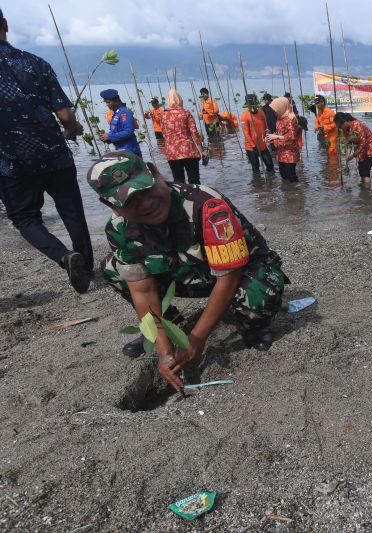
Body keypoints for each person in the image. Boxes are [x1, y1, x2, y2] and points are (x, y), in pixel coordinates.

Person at [87, 151, 288, 389]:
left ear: (156, 174)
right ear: (113, 206)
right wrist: (162, 349)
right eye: (130, 202)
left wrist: (197, 339)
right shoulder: (119, 228)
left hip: (238, 271)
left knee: (256, 296)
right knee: (113, 269)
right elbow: (142, 291)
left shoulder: (206, 206)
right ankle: (170, 326)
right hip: (186, 274)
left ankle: (253, 325)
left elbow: (229, 277)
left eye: (146, 190)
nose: (147, 203)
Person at [0, 9, 93, 293]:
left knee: (25, 218)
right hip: (55, 154)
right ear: (5, 24)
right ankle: (87, 267)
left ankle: (65, 257)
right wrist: (73, 127)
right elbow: (64, 114)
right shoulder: (34, 62)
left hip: (12, 162)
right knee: (72, 211)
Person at [161, 89, 205, 184]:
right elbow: (194, 133)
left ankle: (182, 198)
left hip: (172, 154)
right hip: (189, 151)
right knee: (194, 181)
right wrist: (202, 151)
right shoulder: (185, 112)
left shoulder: (163, 115)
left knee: (178, 182)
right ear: (179, 99)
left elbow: (164, 134)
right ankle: (195, 198)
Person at [334, 112, 372, 187]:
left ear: (345, 122)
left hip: (370, 148)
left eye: (340, 126)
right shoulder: (345, 130)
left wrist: (353, 155)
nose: (341, 129)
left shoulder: (357, 125)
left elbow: (363, 142)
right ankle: (363, 191)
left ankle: (367, 195)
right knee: (361, 172)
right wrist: (347, 156)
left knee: (365, 173)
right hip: (360, 151)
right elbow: (349, 143)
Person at [266, 97, 300, 182]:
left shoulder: (290, 119)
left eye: (275, 110)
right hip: (281, 152)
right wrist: (271, 137)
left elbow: (292, 136)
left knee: (291, 175)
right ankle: (287, 194)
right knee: (283, 175)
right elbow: (281, 134)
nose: (274, 112)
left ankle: (296, 193)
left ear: (282, 107)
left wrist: (276, 137)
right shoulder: (279, 118)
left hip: (289, 153)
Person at [99, 89, 142, 156]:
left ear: (116, 101)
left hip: (130, 151)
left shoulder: (124, 113)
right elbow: (115, 131)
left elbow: (129, 131)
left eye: (109, 102)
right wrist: (107, 138)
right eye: (106, 103)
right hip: (121, 151)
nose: (107, 105)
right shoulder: (116, 113)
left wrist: (110, 136)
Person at [241, 94, 274, 174]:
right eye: (250, 105)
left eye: (255, 103)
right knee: (256, 168)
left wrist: (269, 138)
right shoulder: (244, 116)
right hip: (251, 148)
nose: (252, 107)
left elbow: (266, 128)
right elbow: (246, 133)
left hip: (262, 145)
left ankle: (271, 184)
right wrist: (254, 146)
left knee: (270, 165)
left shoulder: (261, 112)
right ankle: (258, 185)